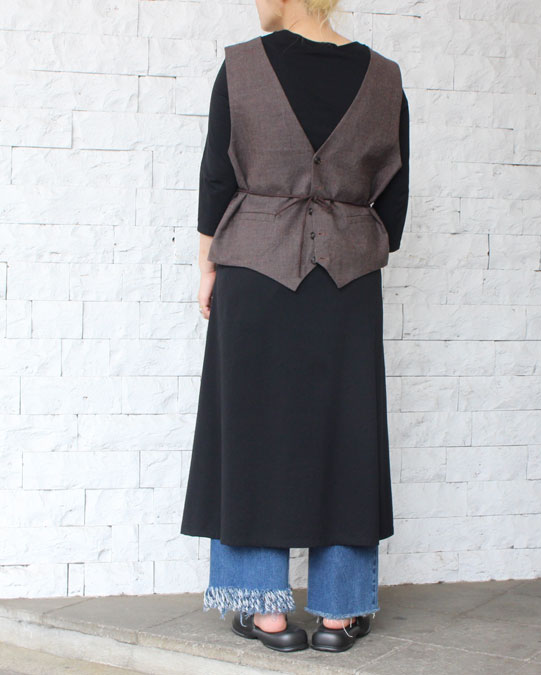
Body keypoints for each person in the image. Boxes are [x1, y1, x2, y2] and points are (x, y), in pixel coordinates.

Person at [180, 0, 410, 654]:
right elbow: (395, 202)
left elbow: (216, 180)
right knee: (348, 437)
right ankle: (339, 614)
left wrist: (206, 268)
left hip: (253, 275)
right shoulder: (386, 79)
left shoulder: (239, 67)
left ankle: (266, 614)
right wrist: (348, 241)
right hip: (348, 283)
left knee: (251, 433)